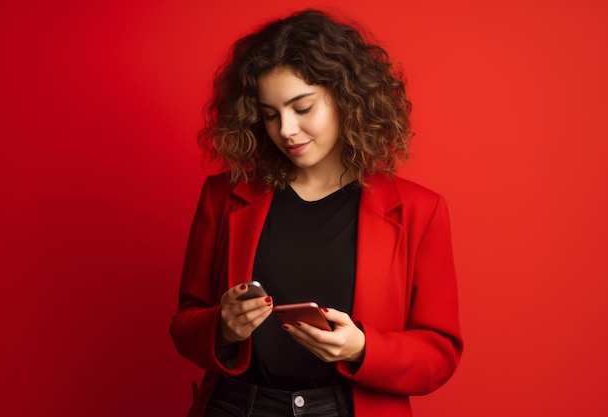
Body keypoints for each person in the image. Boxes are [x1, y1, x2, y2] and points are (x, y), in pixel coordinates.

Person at [170, 8, 462, 417]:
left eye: (302, 108)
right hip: (237, 406)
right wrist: (221, 327)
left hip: (349, 407)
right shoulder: (223, 195)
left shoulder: (419, 210)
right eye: (270, 115)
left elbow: (440, 354)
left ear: (347, 99)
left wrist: (362, 348)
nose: (285, 129)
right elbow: (185, 324)